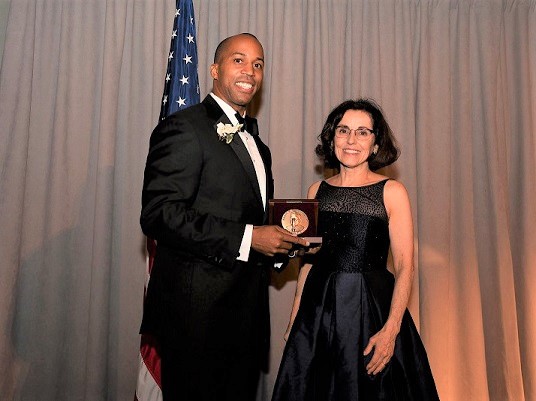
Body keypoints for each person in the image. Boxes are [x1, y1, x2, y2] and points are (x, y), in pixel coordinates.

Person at [140, 33, 309, 401]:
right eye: (239, 60)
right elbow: (159, 214)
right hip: (194, 321)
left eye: (258, 64)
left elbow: (251, 219)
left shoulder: (259, 147)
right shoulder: (184, 127)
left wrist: (279, 247)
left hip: (245, 321)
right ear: (215, 70)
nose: (250, 70)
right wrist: (250, 238)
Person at [271, 99, 440, 400]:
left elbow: (405, 266)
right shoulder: (315, 191)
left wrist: (391, 331)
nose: (351, 140)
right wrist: (295, 318)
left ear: (376, 144)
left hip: (371, 310)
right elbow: (307, 263)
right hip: (319, 310)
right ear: (332, 137)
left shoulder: (392, 192)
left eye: (363, 132)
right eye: (343, 130)